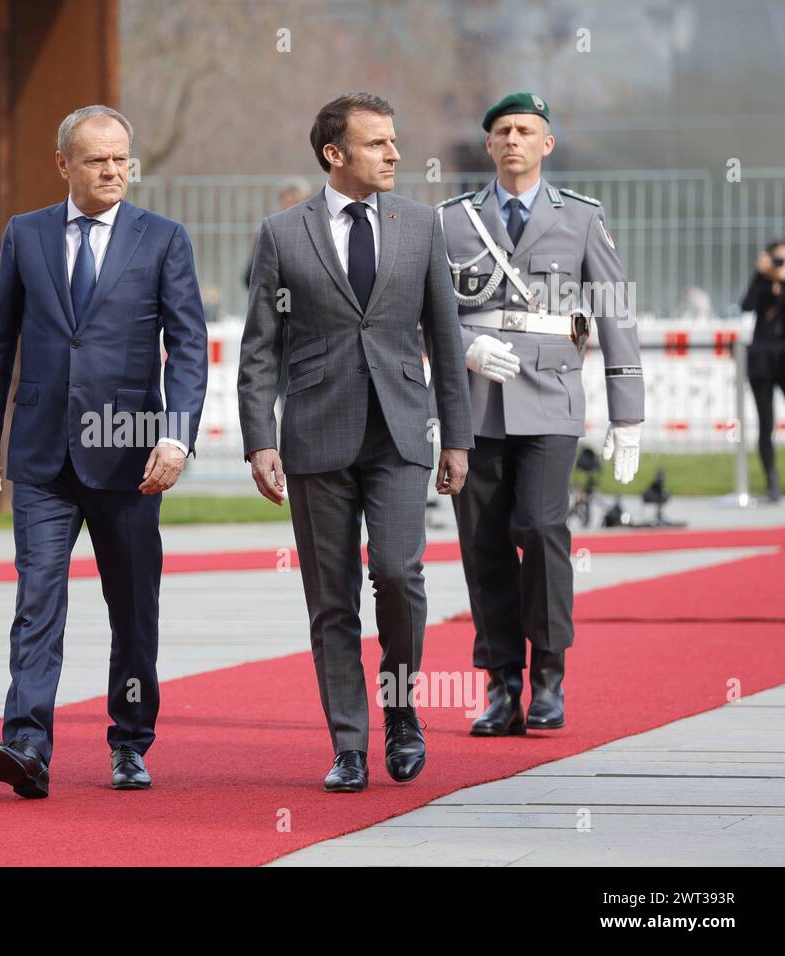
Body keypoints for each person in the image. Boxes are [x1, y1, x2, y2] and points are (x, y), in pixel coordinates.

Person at [0, 105, 208, 798]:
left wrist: (176, 433)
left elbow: (188, 345)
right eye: (97, 159)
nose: (112, 170)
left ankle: (130, 740)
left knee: (132, 606)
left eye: (121, 158)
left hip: (131, 459)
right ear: (63, 164)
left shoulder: (163, 239)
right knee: (36, 598)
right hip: (41, 458)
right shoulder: (26, 235)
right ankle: (28, 745)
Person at [238, 92, 473, 793]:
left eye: (394, 142)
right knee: (331, 600)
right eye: (378, 144)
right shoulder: (282, 233)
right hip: (314, 434)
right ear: (334, 155)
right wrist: (259, 438)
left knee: (399, 576)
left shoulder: (421, 225)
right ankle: (348, 745)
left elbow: (446, 338)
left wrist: (456, 437)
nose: (395, 154)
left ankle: (402, 711)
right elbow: (259, 350)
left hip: (401, 432)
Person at [436, 92, 645, 736]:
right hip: (476, 402)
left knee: (543, 529)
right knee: (484, 544)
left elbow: (614, 311)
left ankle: (549, 677)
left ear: (547, 143)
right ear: (489, 145)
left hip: (552, 398)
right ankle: (501, 685)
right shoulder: (451, 220)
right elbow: (423, 312)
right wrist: (465, 347)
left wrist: (627, 412)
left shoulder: (581, 217)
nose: (515, 140)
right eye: (503, 131)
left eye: (527, 130)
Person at [741, 242, 785, 502]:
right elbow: (746, 305)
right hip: (762, 358)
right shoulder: (761, 282)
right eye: (775, 259)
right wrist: (760, 274)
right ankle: (771, 481)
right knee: (765, 423)